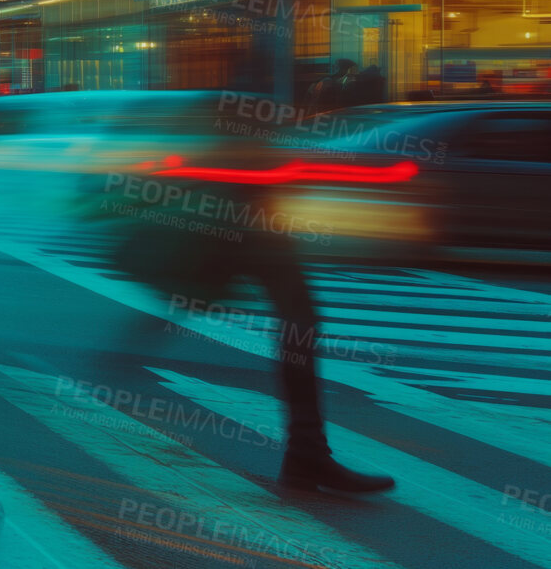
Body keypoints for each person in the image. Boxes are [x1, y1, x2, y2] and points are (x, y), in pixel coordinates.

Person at [103, 103, 394, 495]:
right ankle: (307, 456)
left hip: (248, 212)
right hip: (246, 215)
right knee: (296, 320)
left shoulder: (241, 108)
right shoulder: (244, 109)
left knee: (282, 316)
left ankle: (307, 455)